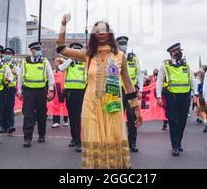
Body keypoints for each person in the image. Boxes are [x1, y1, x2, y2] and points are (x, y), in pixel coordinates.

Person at [56, 14, 143, 168]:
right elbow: (61, 49)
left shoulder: (119, 56)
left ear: (110, 34)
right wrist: (63, 25)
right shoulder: (88, 55)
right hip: (91, 105)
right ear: (94, 35)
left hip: (112, 106)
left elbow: (128, 85)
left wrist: (136, 110)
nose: (101, 32)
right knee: (95, 141)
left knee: (112, 141)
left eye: (104, 30)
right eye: (98, 30)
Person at [156, 43, 198, 156]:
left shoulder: (186, 65)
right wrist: (159, 96)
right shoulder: (165, 65)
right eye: (177, 51)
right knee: (174, 121)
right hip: (172, 97)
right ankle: (175, 146)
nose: (179, 52)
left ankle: (178, 142)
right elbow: (159, 81)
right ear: (172, 53)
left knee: (183, 121)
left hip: (185, 97)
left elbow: (192, 80)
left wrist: (195, 94)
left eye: (180, 50)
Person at [17, 42, 55, 147]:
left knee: (41, 114)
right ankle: (27, 137)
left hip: (41, 91)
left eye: (39, 49)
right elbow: (20, 77)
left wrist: (51, 90)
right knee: (28, 114)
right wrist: (19, 91)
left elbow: (50, 76)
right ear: (32, 51)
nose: (38, 51)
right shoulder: (25, 62)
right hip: (28, 91)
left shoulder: (44, 61)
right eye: (36, 49)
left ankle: (41, 134)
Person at [116, 36, 144, 153]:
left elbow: (139, 73)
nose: (124, 46)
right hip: (117, 91)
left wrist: (140, 89)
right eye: (121, 44)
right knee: (117, 117)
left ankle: (132, 142)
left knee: (132, 116)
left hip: (131, 91)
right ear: (117, 45)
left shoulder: (133, 58)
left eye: (125, 44)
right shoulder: (114, 57)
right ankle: (118, 142)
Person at [58, 43, 86, 152]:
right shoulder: (69, 62)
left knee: (78, 117)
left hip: (81, 92)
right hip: (70, 93)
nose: (76, 54)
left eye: (78, 51)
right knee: (72, 117)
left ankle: (79, 141)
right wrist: (70, 58)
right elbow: (61, 68)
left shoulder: (84, 63)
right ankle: (74, 138)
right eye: (74, 51)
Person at [1, 47, 18, 134]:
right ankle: (3, 126)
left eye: (9, 54)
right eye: (6, 54)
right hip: (2, 87)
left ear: (12, 55)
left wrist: (14, 71)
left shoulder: (14, 64)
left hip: (11, 88)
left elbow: (19, 73)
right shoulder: (1, 63)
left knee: (10, 107)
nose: (7, 55)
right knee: (2, 106)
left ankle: (10, 125)